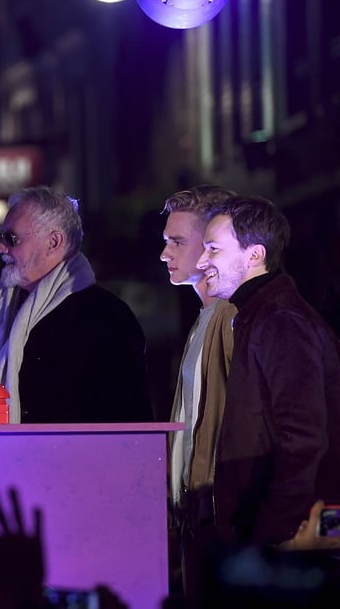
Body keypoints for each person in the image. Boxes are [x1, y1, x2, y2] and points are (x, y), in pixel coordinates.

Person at [196, 196, 340, 547]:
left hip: (294, 540)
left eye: (213, 249)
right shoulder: (261, 316)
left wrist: (275, 535)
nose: (201, 262)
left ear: (255, 255)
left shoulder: (281, 321)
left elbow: (304, 438)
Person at [0, 186, 151, 423]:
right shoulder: (1, 309)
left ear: (53, 242)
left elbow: (127, 418)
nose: (1, 248)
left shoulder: (106, 318)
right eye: (1, 238)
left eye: (11, 238)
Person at [159, 186, 236, 601]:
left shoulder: (229, 316)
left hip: (214, 514)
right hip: (197, 513)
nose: (165, 253)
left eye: (177, 242)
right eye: (167, 241)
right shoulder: (208, 315)